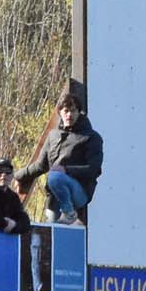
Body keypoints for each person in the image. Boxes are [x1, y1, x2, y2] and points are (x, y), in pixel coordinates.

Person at [16, 92, 103, 224]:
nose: (69, 115)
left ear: (79, 112)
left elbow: (94, 169)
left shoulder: (91, 137)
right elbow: (41, 165)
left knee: (55, 176)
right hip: (55, 194)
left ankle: (69, 213)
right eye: (66, 111)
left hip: (79, 191)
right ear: (60, 112)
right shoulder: (53, 135)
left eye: (73, 111)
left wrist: (66, 170)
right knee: (53, 228)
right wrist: (19, 175)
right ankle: (66, 216)